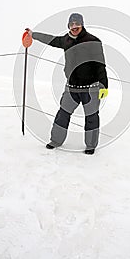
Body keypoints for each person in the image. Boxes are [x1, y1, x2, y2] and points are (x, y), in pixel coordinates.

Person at [25, 13, 108, 154]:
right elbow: (51, 40)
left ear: (82, 24)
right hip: (71, 88)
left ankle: (90, 145)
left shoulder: (93, 41)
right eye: (71, 24)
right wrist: (33, 34)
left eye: (77, 24)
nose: (74, 27)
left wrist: (104, 85)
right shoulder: (66, 40)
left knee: (91, 117)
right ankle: (55, 140)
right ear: (68, 26)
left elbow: (100, 65)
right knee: (63, 114)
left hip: (91, 89)